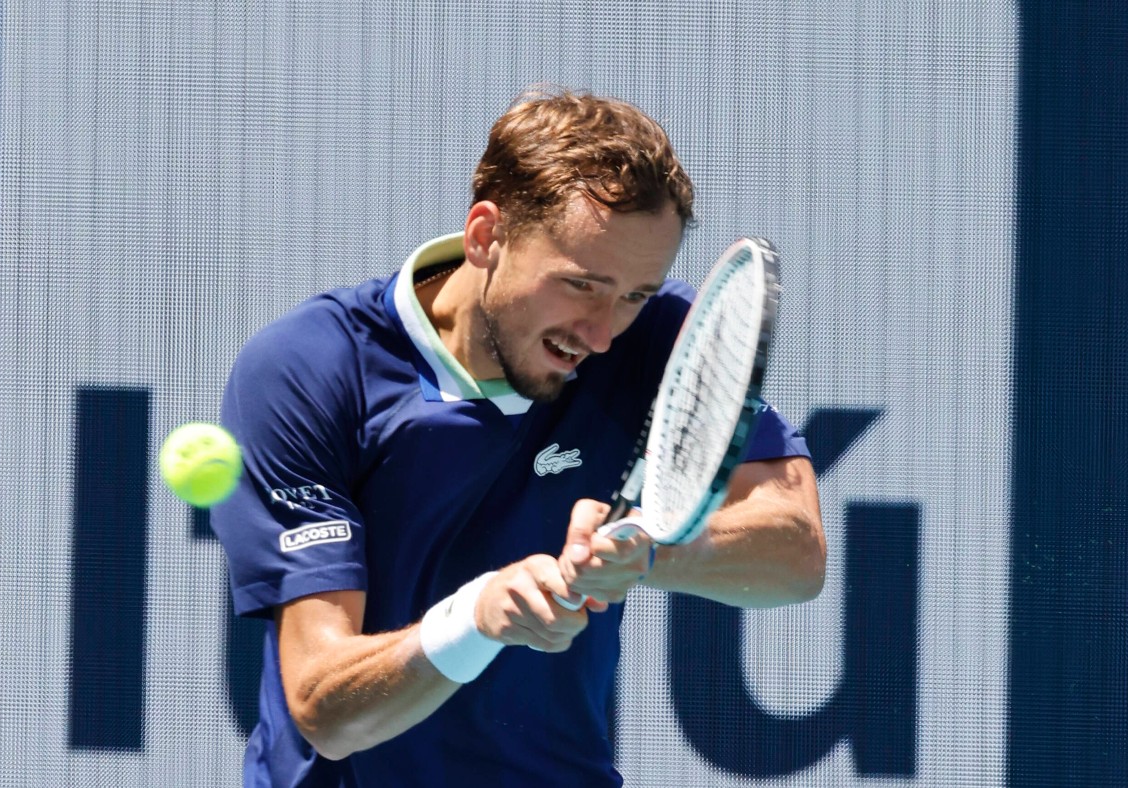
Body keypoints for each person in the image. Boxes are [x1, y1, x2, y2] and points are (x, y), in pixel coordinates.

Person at [212, 87, 826, 787]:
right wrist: (477, 617)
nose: (603, 333)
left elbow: (798, 553)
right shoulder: (313, 368)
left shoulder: (657, 337)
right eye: (582, 285)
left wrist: (649, 550)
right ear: (485, 237)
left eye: (635, 295)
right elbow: (326, 711)